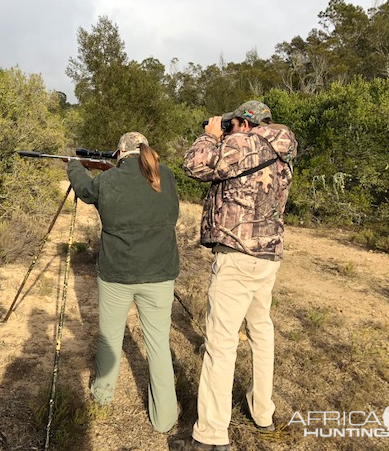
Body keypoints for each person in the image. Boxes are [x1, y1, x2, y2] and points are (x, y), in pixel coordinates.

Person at [169, 101, 297, 451]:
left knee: (221, 345)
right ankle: (263, 412)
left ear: (243, 123)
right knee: (261, 332)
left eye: (233, 123)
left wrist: (209, 135)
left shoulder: (244, 143)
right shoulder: (282, 151)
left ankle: (210, 437)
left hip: (238, 256)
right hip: (268, 255)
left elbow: (195, 166)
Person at [67, 131, 180, 433]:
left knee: (110, 337)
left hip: (118, 273)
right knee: (158, 345)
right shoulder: (166, 175)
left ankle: (101, 398)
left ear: (120, 153)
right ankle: (165, 418)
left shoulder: (109, 181)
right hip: (160, 273)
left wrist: (75, 164)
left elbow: (85, 190)